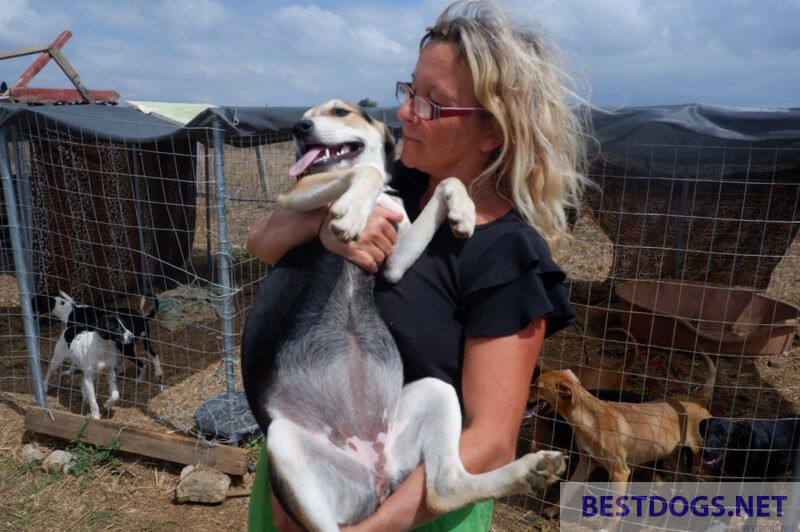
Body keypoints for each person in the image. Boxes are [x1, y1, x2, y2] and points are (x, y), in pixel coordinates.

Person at [245, 1, 587, 530]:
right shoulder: (393, 184)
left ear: (491, 132)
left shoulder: (510, 258)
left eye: (434, 104)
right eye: (410, 90)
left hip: (411, 514)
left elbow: (492, 440)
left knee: (436, 396)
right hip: (310, 476)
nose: (405, 113)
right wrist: (324, 231)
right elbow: (260, 243)